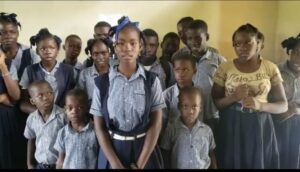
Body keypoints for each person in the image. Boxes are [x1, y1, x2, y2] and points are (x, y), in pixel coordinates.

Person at [90, 16, 165, 169]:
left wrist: (140, 164)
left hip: (145, 151)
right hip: (112, 152)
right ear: (115, 47)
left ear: (140, 46)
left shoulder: (151, 81)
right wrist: (115, 164)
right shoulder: (102, 83)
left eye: (133, 43)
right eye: (121, 43)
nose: (127, 48)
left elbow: (156, 124)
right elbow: (99, 128)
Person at [211, 23, 288, 169]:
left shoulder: (270, 67)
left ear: (258, 43)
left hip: (260, 125)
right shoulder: (225, 67)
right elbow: (216, 102)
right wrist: (233, 97)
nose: (242, 47)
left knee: (258, 162)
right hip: (232, 124)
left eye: (248, 42)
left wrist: (260, 105)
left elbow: (283, 105)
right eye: (237, 44)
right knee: (232, 162)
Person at [0, 12, 39, 168]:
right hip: (5, 115)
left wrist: (5, 98)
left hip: (25, 108)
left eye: (12, 32)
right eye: (2, 32)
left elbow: (34, 85)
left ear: (18, 32)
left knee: (23, 153)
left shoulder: (30, 54)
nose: (7, 36)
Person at [20, 28, 75, 114]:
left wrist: (58, 114)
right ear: (37, 51)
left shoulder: (68, 70)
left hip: (62, 116)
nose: (48, 51)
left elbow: (71, 98)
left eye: (52, 48)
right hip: (38, 117)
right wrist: (43, 114)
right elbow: (23, 103)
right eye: (43, 49)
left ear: (57, 50)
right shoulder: (29, 70)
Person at [160, 86, 217, 169]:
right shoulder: (172, 130)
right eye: (185, 106)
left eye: (194, 106)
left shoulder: (207, 131)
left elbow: (211, 152)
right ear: (179, 107)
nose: (190, 111)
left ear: (200, 108)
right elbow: (165, 153)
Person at [186, 19, 225, 134]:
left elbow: (227, 86)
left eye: (198, 38)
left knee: (213, 146)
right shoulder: (184, 60)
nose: (193, 42)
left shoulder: (218, 59)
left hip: (212, 114)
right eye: (189, 39)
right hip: (191, 114)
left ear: (207, 37)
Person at [272, 34, 300, 169]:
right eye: (295, 52)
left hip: (298, 124)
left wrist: (295, 110)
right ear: (289, 51)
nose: (297, 58)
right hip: (278, 123)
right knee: (277, 158)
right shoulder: (276, 71)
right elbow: (267, 98)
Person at [24, 80, 66, 169]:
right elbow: (31, 140)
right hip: (40, 165)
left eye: (49, 93)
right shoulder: (32, 118)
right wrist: (30, 164)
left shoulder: (63, 116)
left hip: (61, 165)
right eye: (40, 95)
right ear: (32, 101)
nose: (46, 97)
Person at [55, 88, 98, 169]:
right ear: (65, 110)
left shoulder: (96, 132)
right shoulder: (62, 133)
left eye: (80, 107)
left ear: (87, 108)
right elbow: (60, 160)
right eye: (70, 108)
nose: (74, 111)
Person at [163, 52, 198, 128]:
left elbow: (207, 120)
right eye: (177, 70)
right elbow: (162, 124)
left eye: (185, 70)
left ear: (194, 71)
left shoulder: (201, 94)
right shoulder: (167, 95)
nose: (181, 74)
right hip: (174, 138)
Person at [0, 50, 21, 169]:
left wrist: (3, 67)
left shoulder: (8, 63)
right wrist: (2, 97)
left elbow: (15, 96)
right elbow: (6, 99)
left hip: (5, 122)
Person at [77, 38, 111, 107]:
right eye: (96, 54)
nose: (100, 57)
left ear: (109, 53)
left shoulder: (116, 72)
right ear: (92, 55)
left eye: (104, 53)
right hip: (91, 112)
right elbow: (79, 97)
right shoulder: (84, 74)